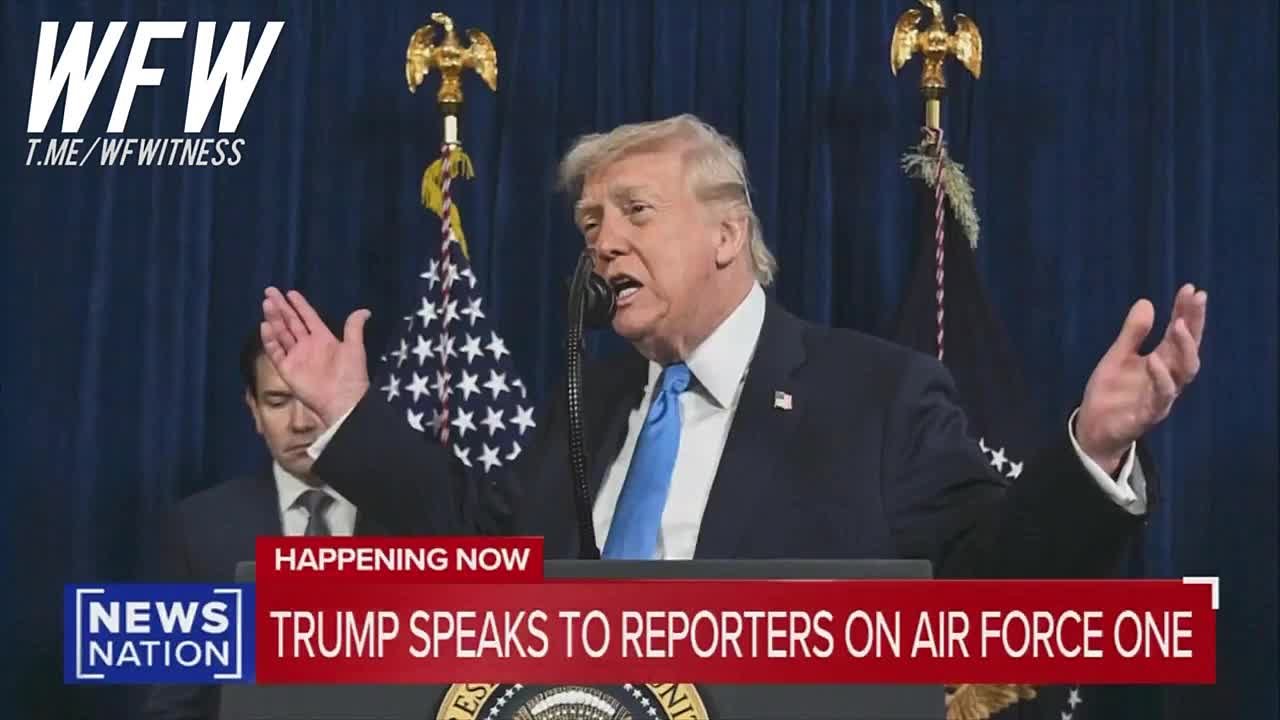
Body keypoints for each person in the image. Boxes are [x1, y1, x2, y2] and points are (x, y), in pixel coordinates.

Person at [258, 114, 1205, 575]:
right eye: (590, 223)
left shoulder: (879, 396)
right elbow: (483, 542)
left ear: (726, 233)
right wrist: (348, 419)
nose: (603, 243)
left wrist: (1093, 449)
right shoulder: (592, 404)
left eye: (634, 211)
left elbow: (995, 570)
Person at [142, 329, 380, 720]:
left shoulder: (414, 517)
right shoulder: (200, 528)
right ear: (254, 410)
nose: (301, 423)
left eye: (314, 399)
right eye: (278, 401)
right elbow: (172, 704)